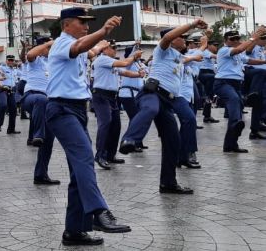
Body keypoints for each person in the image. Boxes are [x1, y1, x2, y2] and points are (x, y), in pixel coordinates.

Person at [44, 7, 130, 246]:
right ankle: (98, 212)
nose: (86, 26)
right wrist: (104, 30)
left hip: (77, 110)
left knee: (77, 172)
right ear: (66, 24)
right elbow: (79, 48)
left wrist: (101, 45)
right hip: (61, 109)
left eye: (88, 23)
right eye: (82, 22)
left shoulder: (77, 44)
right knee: (83, 157)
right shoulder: (62, 43)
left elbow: (87, 51)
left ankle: (73, 231)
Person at [119, 20, 208, 195]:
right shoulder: (162, 51)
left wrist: (202, 48)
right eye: (181, 37)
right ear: (174, 39)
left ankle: (168, 183)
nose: (184, 40)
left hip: (168, 102)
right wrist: (193, 24)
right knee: (150, 109)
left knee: (173, 141)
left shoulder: (179, 57)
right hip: (152, 94)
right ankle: (129, 139)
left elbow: (193, 57)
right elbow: (167, 36)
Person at [91, 42, 143, 170]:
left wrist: (138, 74)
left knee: (116, 126)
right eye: (113, 48)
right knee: (105, 123)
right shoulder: (102, 59)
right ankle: (100, 155)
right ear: (105, 49)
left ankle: (110, 155)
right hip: (101, 96)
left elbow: (124, 72)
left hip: (112, 97)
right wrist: (134, 56)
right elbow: (125, 64)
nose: (115, 50)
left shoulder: (111, 61)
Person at [213, 29, 266, 153]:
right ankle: (236, 122)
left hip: (236, 84)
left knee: (237, 110)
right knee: (234, 100)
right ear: (226, 41)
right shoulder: (224, 50)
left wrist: (264, 61)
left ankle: (230, 145)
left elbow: (249, 60)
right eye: (232, 39)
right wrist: (252, 39)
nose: (236, 41)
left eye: (237, 38)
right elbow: (239, 49)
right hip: (223, 83)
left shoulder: (238, 54)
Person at [21, 35, 60, 185]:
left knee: (49, 140)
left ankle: (41, 174)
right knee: (40, 99)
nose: (50, 50)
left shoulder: (53, 62)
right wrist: (49, 43)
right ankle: (36, 135)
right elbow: (30, 55)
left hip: (48, 103)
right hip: (31, 97)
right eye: (47, 47)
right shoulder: (35, 61)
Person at [0, 55, 20, 134]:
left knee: (13, 110)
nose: (10, 62)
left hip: (11, 91)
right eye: (9, 60)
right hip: (2, 89)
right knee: (3, 105)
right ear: (6, 61)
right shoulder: (2, 67)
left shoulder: (15, 70)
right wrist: (1, 72)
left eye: (12, 60)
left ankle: (11, 129)